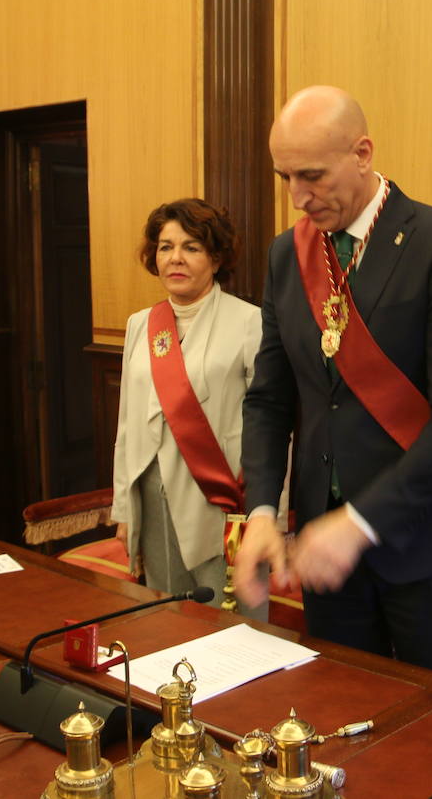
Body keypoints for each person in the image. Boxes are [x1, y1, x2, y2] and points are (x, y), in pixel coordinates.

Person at [234, 85, 432, 680]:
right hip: (322, 557)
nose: (298, 197)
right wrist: (259, 514)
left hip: (424, 547)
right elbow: (270, 398)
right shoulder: (286, 255)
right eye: (285, 177)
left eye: (313, 175)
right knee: (341, 725)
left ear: (363, 153)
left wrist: (358, 523)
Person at [109, 199, 262, 598]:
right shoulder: (141, 325)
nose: (175, 258)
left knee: (233, 629)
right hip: (152, 494)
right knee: (169, 622)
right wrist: (125, 510)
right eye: (165, 247)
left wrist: (267, 517)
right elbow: (126, 425)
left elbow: (274, 428)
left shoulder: (250, 323)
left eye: (191, 247)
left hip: (222, 502)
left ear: (215, 258)